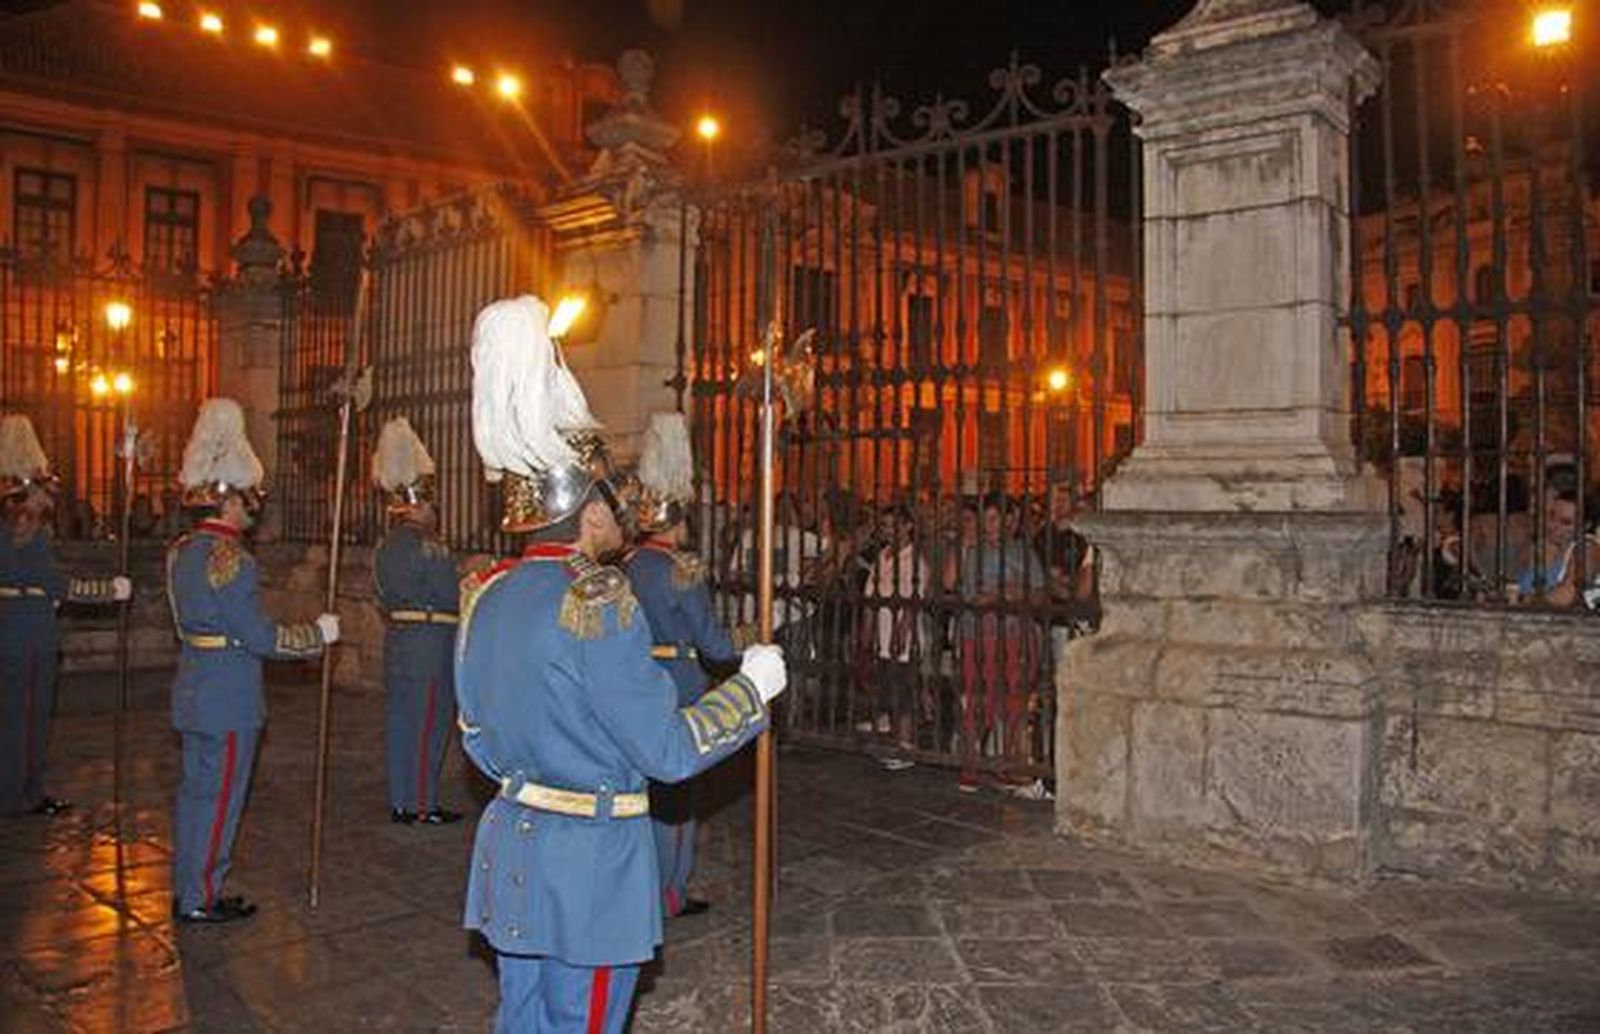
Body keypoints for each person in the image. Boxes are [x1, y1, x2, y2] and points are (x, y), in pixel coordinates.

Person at [457, 296, 787, 1033]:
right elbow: (666, 752)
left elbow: (476, 734)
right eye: (614, 502)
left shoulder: (487, 592)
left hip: (513, 844)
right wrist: (750, 692)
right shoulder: (599, 601)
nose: (624, 515)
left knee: (522, 1020)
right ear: (588, 511)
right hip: (591, 865)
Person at [167, 398, 339, 923]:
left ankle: (188, 885)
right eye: (246, 499)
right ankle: (202, 895)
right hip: (229, 697)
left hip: (194, 685)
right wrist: (317, 634)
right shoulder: (232, 560)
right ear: (227, 499)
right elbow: (261, 638)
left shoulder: (182, 550)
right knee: (220, 800)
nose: (252, 508)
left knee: (195, 795)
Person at [625, 411, 742, 919]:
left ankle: (643, 890)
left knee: (645, 794)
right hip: (681, 687)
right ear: (680, 517)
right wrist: (753, 641)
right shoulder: (681, 571)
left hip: (638, 683)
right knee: (677, 799)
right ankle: (668, 894)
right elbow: (714, 645)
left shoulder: (627, 567)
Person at [0, 414, 131, 817]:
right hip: (29, 632)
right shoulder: (28, 528)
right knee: (27, 719)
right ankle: (21, 794)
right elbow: (57, 584)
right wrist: (111, 590)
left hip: (10, 621)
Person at [371, 416, 464, 825]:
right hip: (431, 644)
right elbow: (451, 597)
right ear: (422, 505)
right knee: (430, 725)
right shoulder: (432, 548)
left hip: (398, 642)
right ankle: (422, 804)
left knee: (400, 723)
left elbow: (380, 594)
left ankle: (400, 798)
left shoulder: (384, 547)